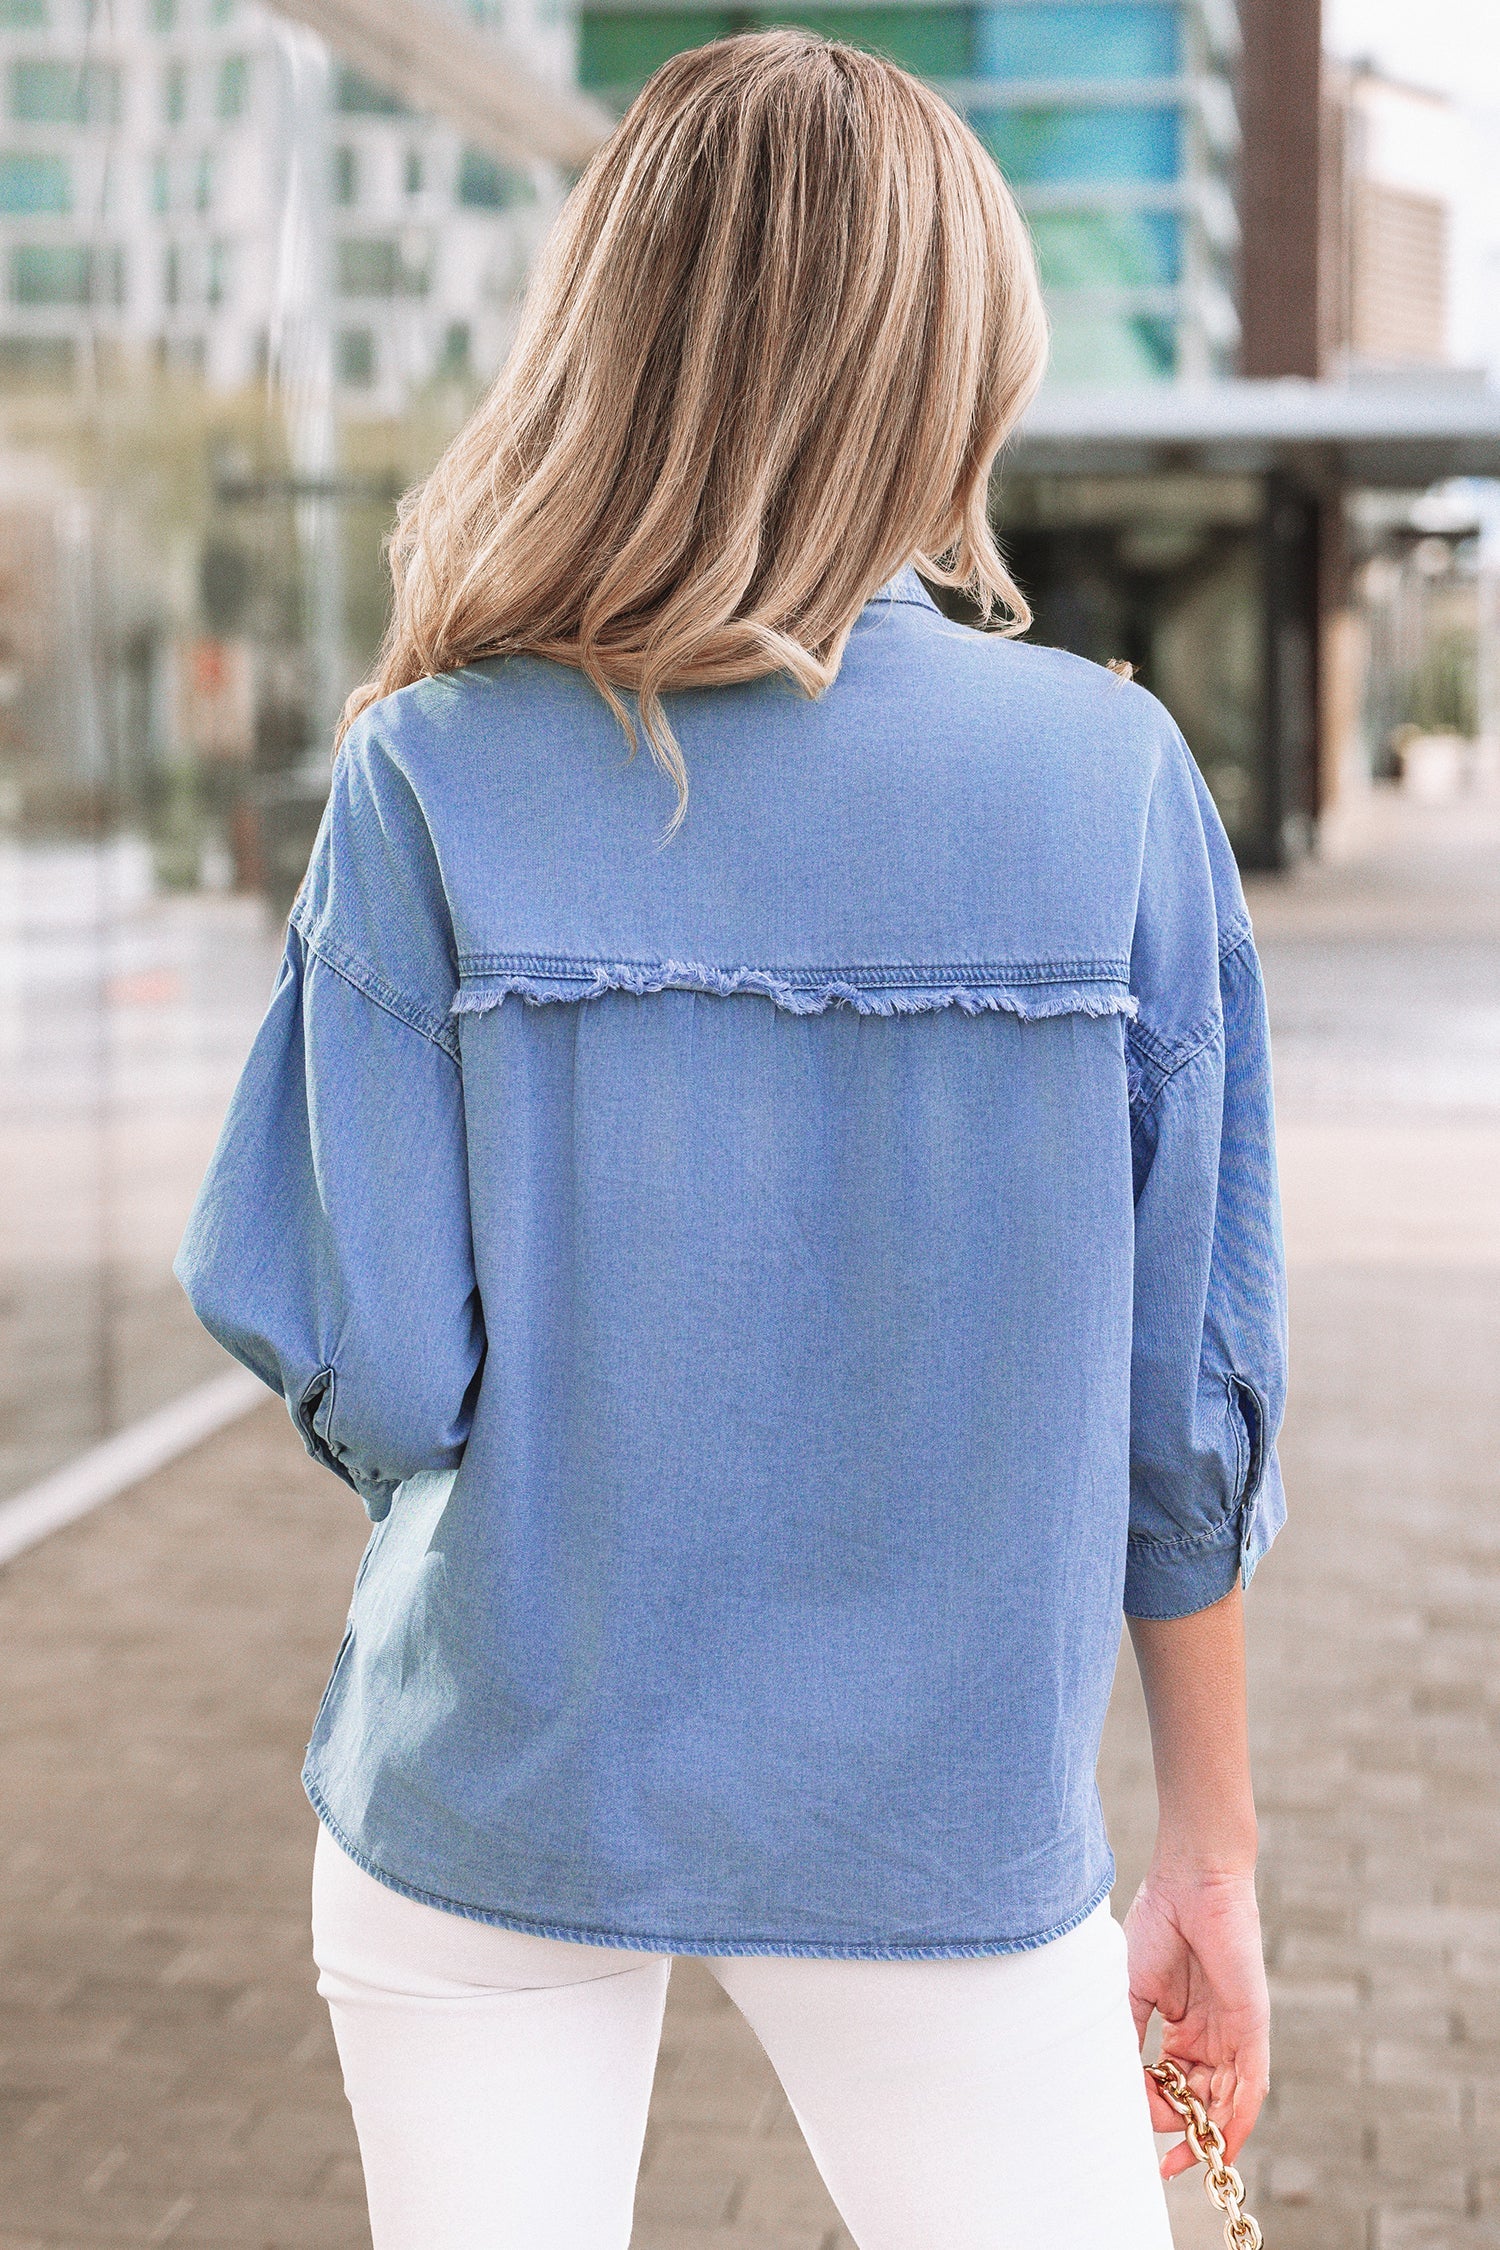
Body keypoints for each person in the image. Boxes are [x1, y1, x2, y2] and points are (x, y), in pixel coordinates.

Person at [176, 29, 1286, 2250]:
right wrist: (1209, 1850)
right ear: (948, 360)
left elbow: (379, 1367)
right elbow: (1184, 1419)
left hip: (490, 1789)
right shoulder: (1115, 786)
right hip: (951, 1832)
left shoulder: (428, 776)